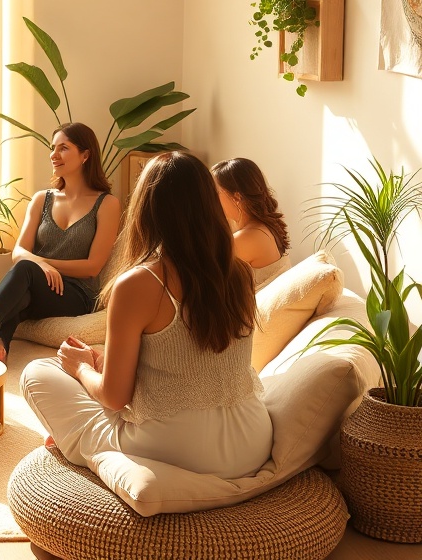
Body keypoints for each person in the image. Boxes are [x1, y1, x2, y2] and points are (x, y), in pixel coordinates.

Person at [20, 152, 272, 480]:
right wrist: (100, 362)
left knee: (37, 372)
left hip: (176, 451)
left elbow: (114, 398)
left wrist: (80, 368)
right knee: (95, 368)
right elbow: (192, 359)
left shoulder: (138, 283)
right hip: (252, 442)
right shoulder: (239, 272)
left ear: (146, 209)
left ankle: (80, 446)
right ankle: (79, 433)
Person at [0, 122, 121, 363]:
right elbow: (19, 251)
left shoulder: (107, 204)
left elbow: (93, 266)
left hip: (76, 294)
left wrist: (42, 264)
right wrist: (42, 267)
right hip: (37, 285)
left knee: (24, 271)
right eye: (53, 148)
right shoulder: (42, 199)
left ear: (85, 155)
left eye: (63, 148)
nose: (54, 155)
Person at [211, 157, 291, 290]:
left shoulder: (248, 238)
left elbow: (202, 276)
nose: (212, 199)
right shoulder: (264, 228)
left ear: (236, 197)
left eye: (215, 193)